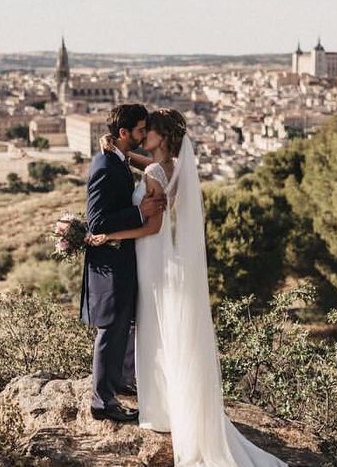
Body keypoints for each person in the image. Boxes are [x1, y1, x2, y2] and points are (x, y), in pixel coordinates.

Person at [90, 109, 287, 467]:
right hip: (161, 256)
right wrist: (117, 151)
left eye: (147, 131)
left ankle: (160, 406)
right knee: (162, 330)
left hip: (149, 253)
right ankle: (170, 403)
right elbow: (146, 163)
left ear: (160, 137)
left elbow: (150, 226)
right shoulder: (176, 166)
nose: (142, 135)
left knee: (153, 330)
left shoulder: (154, 171)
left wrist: (109, 235)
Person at [82, 104, 167, 423]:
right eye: (140, 130)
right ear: (123, 133)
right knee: (110, 331)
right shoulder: (105, 165)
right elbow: (97, 222)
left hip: (122, 260)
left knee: (119, 330)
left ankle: (115, 387)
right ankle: (102, 403)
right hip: (110, 262)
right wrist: (139, 213)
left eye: (147, 130)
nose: (144, 134)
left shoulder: (117, 159)